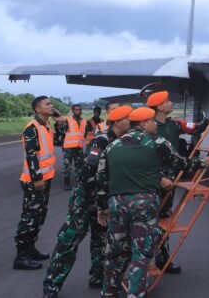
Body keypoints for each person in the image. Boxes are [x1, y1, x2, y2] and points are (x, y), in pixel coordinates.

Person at [95, 107, 209, 298]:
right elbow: (180, 163)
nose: (155, 124)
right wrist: (202, 163)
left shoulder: (112, 146)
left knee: (115, 251)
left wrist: (102, 207)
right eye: (152, 121)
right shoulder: (157, 142)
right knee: (141, 253)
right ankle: (136, 294)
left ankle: (109, 292)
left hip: (117, 204)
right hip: (144, 203)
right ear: (142, 124)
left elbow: (101, 179)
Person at [42, 104, 133, 297]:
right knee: (68, 242)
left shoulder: (122, 140)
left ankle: (97, 277)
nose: (131, 122)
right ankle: (51, 285)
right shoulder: (101, 141)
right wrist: (96, 203)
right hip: (85, 200)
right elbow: (88, 174)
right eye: (128, 118)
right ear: (118, 121)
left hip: (103, 201)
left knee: (101, 241)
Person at [14, 95, 59, 271]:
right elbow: (31, 154)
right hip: (35, 181)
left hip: (45, 179)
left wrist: (60, 121)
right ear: (37, 109)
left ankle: (31, 249)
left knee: (39, 216)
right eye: (47, 104)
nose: (51, 106)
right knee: (30, 217)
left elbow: (59, 141)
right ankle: (21, 256)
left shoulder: (46, 125)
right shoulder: (31, 128)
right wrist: (37, 178)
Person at [148, 90, 184, 275]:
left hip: (171, 178)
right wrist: (158, 178)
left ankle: (163, 259)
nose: (171, 103)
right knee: (147, 221)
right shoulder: (150, 129)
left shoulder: (173, 125)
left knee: (164, 219)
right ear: (160, 106)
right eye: (168, 101)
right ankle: (141, 263)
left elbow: (196, 129)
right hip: (154, 181)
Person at [59, 104, 86, 190]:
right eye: (76, 110)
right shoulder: (68, 120)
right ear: (73, 111)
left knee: (79, 165)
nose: (79, 111)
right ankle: (66, 184)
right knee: (67, 166)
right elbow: (62, 132)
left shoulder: (84, 121)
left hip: (79, 147)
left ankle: (79, 182)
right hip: (69, 147)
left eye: (80, 109)